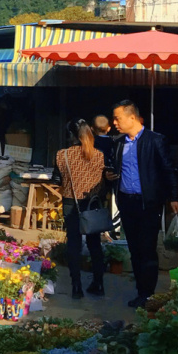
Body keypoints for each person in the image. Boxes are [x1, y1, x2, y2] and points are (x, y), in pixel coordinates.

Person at [108, 99, 178, 309]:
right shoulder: (119, 143)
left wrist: (174, 197)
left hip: (148, 202)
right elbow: (114, 167)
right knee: (134, 248)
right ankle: (141, 290)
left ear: (132, 117)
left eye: (118, 118)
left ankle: (147, 293)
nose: (115, 122)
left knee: (147, 248)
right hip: (126, 201)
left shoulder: (155, 140)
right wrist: (110, 175)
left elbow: (169, 169)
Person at [54, 119, 107, 299]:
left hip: (71, 203)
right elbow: (104, 182)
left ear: (71, 136)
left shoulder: (63, 155)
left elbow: (57, 179)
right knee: (94, 244)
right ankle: (98, 283)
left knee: (73, 244)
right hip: (92, 204)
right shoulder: (99, 155)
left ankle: (76, 285)